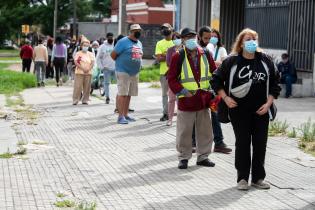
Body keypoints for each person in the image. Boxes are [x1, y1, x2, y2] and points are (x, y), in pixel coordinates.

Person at [211, 28, 281, 190]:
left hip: (261, 110)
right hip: (239, 111)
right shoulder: (231, 61)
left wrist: (269, 103)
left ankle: (258, 178)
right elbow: (216, 80)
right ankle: (242, 178)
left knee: (260, 143)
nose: (251, 42)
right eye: (248, 39)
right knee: (242, 143)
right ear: (241, 43)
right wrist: (226, 98)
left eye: (254, 39)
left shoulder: (265, 60)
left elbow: (276, 83)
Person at [168, 27, 217, 169]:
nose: (191, 40)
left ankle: (203, 157)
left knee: (205, 130)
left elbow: (214, 73)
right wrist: (183, 90)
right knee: (184, 131)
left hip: (203, 100)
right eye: (187, 37)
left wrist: (215, 92)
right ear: (182, 40)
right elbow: (171, 79)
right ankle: (183, 158)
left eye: (193, 37)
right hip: (186, 100)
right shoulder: (178, 56)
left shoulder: (206, 53)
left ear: (197, 38)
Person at [198, 26, 232, 154]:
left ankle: (219, 142)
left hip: (212, 89)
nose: (210, 40)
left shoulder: (220, 49)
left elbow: (223, 65)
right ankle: (194, 142)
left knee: (215, 114)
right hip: (198, 90)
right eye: (207, 37)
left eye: (213, 37)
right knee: (197, 115)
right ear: (200, 37)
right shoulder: (197, 50)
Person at [111, 24, 143, 124]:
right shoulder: (123, 41)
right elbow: (113, 55)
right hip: (123, 71)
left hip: (134, 72)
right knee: (123, 94)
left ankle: (125, 114)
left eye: (139, 30)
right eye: (135, 30)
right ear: (131, 31)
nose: (138, 32)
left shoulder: (139, 43)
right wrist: (122, 63)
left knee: (129, 94)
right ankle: (120, 117)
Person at [155, 23, 175, 121]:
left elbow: (179, 57)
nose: (165, 30)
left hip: (177, 73)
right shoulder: (159, 43)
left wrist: (165, 55)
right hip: (164, 73)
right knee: (165, 94)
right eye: (163, 29)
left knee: (177, 94)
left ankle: (177, 113)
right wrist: (171, 55)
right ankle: (165, 113)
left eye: (166, 28)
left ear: (171, 29)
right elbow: (159, 59)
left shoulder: (176, 42)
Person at [165, 32, 182, 126]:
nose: (176, 40)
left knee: (180, 99)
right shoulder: (170, 50)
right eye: (174, 38)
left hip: (183, 78)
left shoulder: (185, 49)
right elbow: (168, 63)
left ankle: (180, 118)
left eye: (178, 38)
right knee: (171, 99)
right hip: (172, 77)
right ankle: (170, 119)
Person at [73, 37, 95, 105]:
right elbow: (76, 62)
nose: (85, 47)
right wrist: (83, 68)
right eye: (84, 45)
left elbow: (92, 62)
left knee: (87, 87)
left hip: (88, 72)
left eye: (87, 46)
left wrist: (88, 68)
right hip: (79, 72)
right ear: (81, 46)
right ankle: (75, 100)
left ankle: (85, 100)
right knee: (78, 87)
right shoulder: (78, 53)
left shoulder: (90, 54)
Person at [96, 33, 116, 104]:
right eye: (109, 37)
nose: (111, 38)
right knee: (107, 83)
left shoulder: (116, 45)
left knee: (118, 83)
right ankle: (107, 97)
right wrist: (101, 67)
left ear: (113, 37)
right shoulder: (102, 47)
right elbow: (98, 58)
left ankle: (119, 97)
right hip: (106, 68)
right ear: (107, 38)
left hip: (116, 68)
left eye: (112, 37)